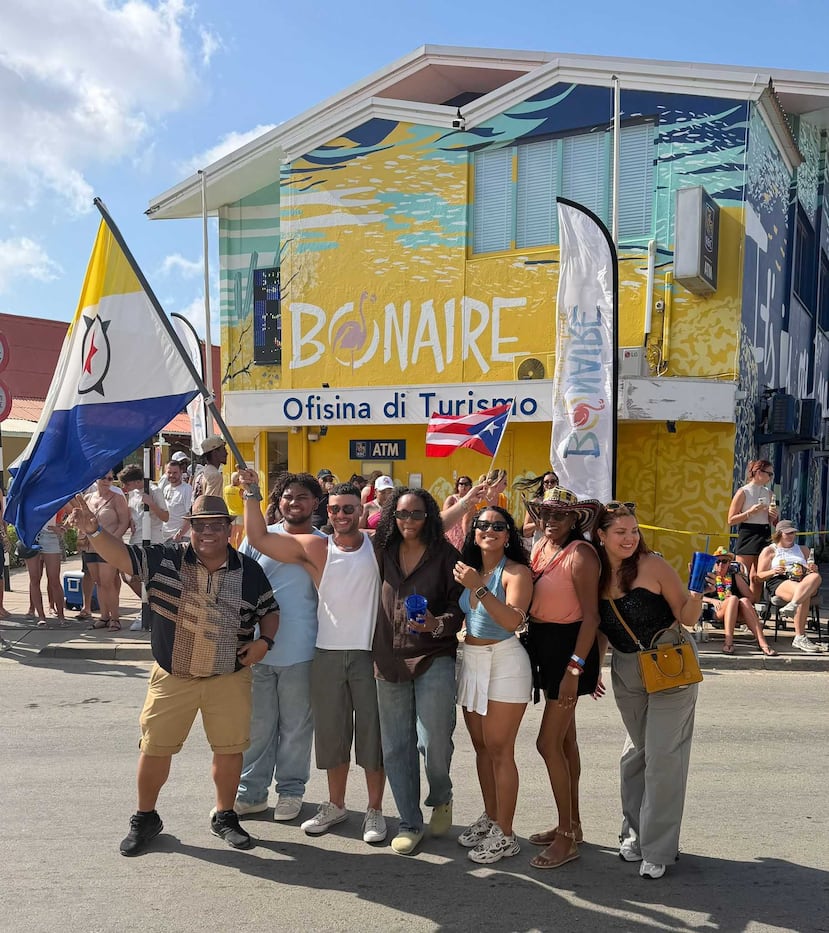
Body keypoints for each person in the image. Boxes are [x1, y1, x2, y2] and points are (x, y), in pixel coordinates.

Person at [69, 493, 279, 857]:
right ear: (191, 527)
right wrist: (95, 530)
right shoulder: (166, 558)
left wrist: (266, 642)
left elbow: (269, 610)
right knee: (155, 749)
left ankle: (225, 816)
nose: (208, 532)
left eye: (216, 525)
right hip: (173, 675)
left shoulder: (250, 569)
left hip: (229, 676)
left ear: (229, 528)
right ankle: (146, 817)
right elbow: (122, 557)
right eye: (201, 525)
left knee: (229, 751)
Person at [240, 473, 388, 846]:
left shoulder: (353, 545)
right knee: (292, 733)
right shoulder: (295, 543)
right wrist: (252, 493)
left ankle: (348, 805)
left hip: (337, 652)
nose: (342, 514)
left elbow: (422, 532)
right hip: (291, 651)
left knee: (337, 735)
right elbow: (252, 551)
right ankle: (279, 797)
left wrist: (466, 505)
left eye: (349, 508)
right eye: (336, 509)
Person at [595, 501, 703, 880]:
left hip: (670, 663)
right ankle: (636, 833)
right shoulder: (593, 571)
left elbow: (687, 617)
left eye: (634, 531)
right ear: (601, 535)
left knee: (662, 758)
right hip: (627, 670)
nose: (629, 538)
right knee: (636, 756)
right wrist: (593, 668)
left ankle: (658, 849)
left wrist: (697, 590)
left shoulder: (653, 565)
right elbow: (599, 627)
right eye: (620, 532)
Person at [372, 487, 465, 855]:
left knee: (434, 740)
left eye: (416, 514)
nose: (408, 521)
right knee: (396, 747)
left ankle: (441, 795)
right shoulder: (381, 552)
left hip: (434, 655)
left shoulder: (446, 555)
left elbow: (460, 606)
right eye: (402, 514)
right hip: (388, 658)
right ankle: (410, 822)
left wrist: (437, 625)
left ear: (429, 517)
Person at [520, 486, 602, 870]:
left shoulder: (581, 554)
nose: (550, 520)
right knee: (566, 744)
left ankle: (567, 838)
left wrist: (576, 668)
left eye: (558, 515)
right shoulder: (542, 546)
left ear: (574, 519)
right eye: (545, 513)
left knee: (547, 744)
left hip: (568, 652)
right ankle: (572, 825)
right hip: (546, 647)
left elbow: (591, 617)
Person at [235, 472, 324, 821]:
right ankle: (251, 793)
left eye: (302, 496)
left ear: (315, 503)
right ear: (279, 501)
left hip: (302, 651)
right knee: (257, 727)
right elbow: (239, 582)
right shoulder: (259, 537)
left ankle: (291, 791)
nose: (294, 502)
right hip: (256, 650)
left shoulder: (322, 545)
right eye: (288, 496)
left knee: (296, 728)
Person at [452, 507, 533, 864]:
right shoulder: (470, 569)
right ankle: (492, 817)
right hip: (470, 659)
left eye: (498, 526)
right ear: (473, 533)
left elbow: (512, 620)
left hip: (505, 661)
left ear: (509, 534)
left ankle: (507, 833)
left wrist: (479, 588)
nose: (490, 530)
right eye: (482, 525)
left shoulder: (516, 572)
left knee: (500, 749)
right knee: (481, 748)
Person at [756, 520, 823, 653]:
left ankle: (793, 605)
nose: (791, 536)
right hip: (780, 580)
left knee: (816, 577)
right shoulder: (770, 550)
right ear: (779, 534)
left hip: (802, 579)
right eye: (788, 533)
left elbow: (812, 572)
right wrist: (773, 571)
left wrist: (812, 569)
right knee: (803, 592)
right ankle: (800, 636)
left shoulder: (803, 549)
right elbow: (759, 576)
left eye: (793, 533)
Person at [703, 546, 778, 656]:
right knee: (733, 599)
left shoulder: (733, 576)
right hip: (717, 609)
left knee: (744, 601)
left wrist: (741, 578)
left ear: (729, 563)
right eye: (717, 561)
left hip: (736, 610)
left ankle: (763, 643)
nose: (720, 565)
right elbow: (697, 596)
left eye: (724, 561)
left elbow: (750, 597)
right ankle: (728, 643)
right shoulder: (709, 576)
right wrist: (712, 601)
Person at [83, 471, 131, 631]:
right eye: (104, 477)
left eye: (110, 478)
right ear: (96, 478)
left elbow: (124, 522)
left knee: (107, 582)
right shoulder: (88, 498)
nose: (107, 481)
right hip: (91, 546)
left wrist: (111, 541)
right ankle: (104, 616)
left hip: (109, 546)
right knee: (97, 582)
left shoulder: (117, 498)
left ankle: (115, 619)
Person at [727, 460, 779, 600]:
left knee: (758, 575)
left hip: (764, 531)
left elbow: (773, 520)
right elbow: (731, 520)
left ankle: (753, 605)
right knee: (741, 572)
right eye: (769, 473)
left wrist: (773, 517)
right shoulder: (743, 492)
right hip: (748, 531)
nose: (771, 477)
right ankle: (738, 604)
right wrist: (750, 512)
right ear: (758, 472)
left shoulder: (769, 493)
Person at [24, 517, 68, 627]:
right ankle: (41, 617)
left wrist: (64, 528)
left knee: (54, 580)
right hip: (31, 536)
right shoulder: (24, 498)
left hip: (50, 535)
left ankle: (61, 617)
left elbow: (75, 509)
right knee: (34, 579)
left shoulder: (51, 498)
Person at [514, 471, 559, 540]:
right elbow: (525, 531)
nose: (549, 484)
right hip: (539, 543)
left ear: (557, 484)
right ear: (543, 485)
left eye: (552, 482)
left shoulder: (562, 503)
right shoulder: (535, 503)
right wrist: (536, 524)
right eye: (546, 482)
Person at [161, 461, 193, 542]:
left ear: (181, 472)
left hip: (180, 538)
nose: (172, 475)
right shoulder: (166, 488)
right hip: (164, 536)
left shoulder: (187, 489)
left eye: (175, 473)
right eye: (169, 472)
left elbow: (189, 514)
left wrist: (180, 534)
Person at [442, 476, 472, 550]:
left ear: (470, 486)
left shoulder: (473, 500)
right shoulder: (451, 499)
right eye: (461, 484)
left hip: (466, 532)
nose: (463, 486)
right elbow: (445, 515)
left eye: (466, 484)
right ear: (457, 486)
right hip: (453, 533)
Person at [224, 471, 245, 548]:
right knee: (239, 535)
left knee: (231, 535)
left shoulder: (226, 489)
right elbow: (245, 501)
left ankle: (230, 550)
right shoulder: (240, 490)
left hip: (230, 514)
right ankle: (238, 551)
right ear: (237, 480)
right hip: (240, 513)